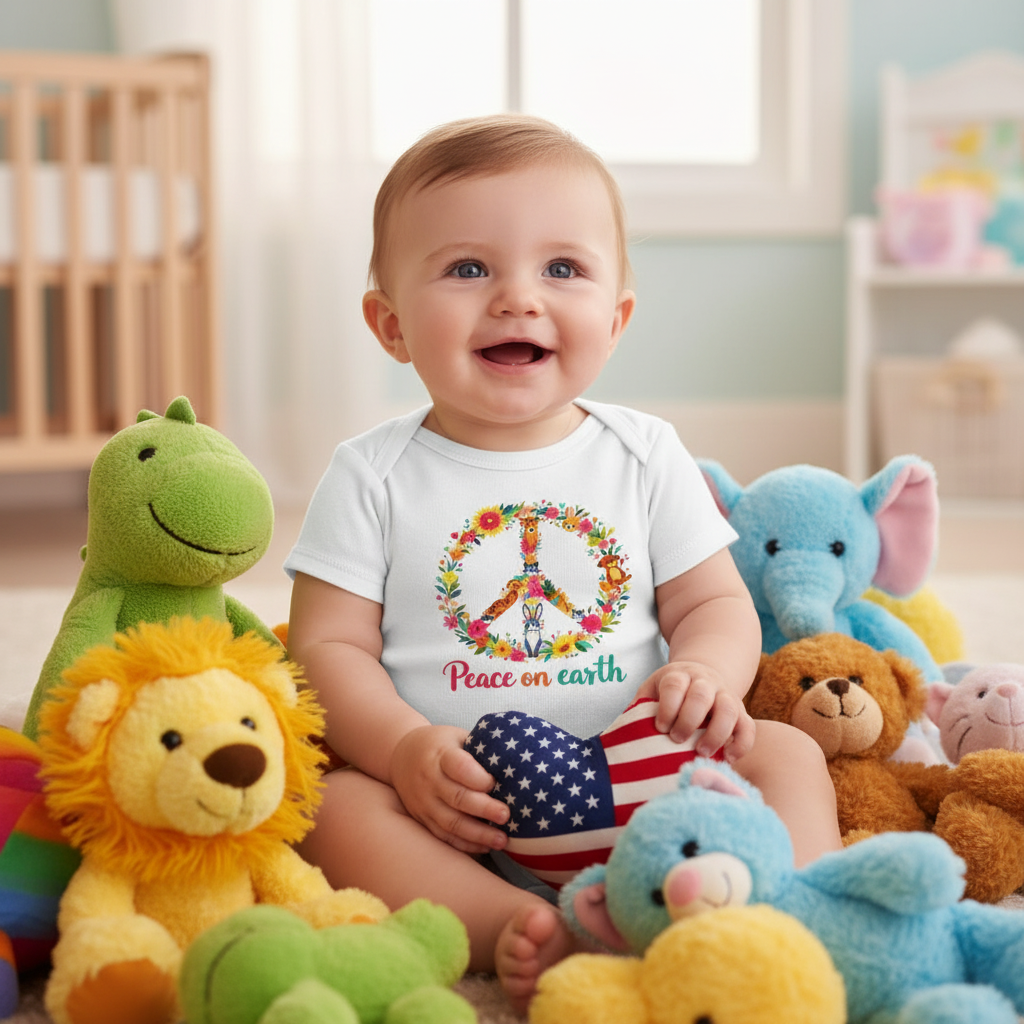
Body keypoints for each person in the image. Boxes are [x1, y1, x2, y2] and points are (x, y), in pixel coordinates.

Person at [285, 113, 842, 1012]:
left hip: (663, 776)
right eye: (468, 269)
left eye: (562, 269)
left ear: (615, 319)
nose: (517, 298)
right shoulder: (371, 474)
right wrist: (403, 750)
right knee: (335, 809)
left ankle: (792, 901)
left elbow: (715, 604)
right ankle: (514, 920)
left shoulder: (644, 452)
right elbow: (326, 650)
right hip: (465, 809)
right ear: (389, 324)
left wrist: (705, 673)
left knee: (784, 749)